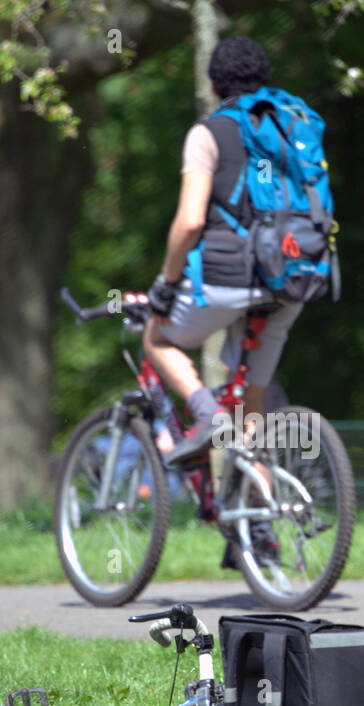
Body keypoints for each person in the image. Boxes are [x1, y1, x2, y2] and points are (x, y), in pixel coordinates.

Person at [142, 36, 304, 468]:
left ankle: (207, 415)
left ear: (214, 86)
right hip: (293, 279)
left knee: (155, 336)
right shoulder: (290, 129)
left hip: (229, 281)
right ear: (264, 81)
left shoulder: (208, 133)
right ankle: (264, 508)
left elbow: (190, 222)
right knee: (252, 413)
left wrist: (166, 284)